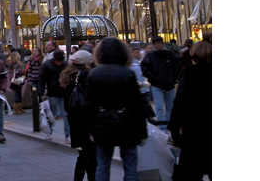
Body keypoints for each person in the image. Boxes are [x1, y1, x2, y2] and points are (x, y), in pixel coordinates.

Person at [86, 37, 149, 181]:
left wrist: (90, 129)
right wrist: (142, 131)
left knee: (102, 166)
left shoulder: (94, 74)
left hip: (103, 124)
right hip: (127, 123)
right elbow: (137, 105)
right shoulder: (127, 73)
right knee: (130, 167)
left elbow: (89, 105)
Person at [168, 41, 212, 181]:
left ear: (194, 58)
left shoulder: (189, 76)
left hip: (194, 133)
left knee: (191, 173)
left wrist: (175, 131)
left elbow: (179, 105)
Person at [60, 50, 95, 181]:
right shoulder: (85, 76)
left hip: (74, 119)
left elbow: (65, 102)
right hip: (85, 120)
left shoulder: (66, 75)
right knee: (91, 155)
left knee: (83, 154)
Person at [141, 35, 178, 127]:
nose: (158, 45)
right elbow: (145, 69)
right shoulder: (151, 55)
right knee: (160, 107)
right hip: (159, 84)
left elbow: (177, 66)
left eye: (159, 43)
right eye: (156, 43)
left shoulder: (169, 54)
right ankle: (163, 126)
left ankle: (168, 125)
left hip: (166, 83)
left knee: (168, 106)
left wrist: (173, 78)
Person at [38, 49, 70, 143]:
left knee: (65, 114)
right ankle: (49, 132)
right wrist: (41, 93)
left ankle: (67, 135)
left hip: (63, 92)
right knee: (51, 114)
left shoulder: (65, 65)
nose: (58, 63)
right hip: (52, 92)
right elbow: (42, 79)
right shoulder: (48, 65)